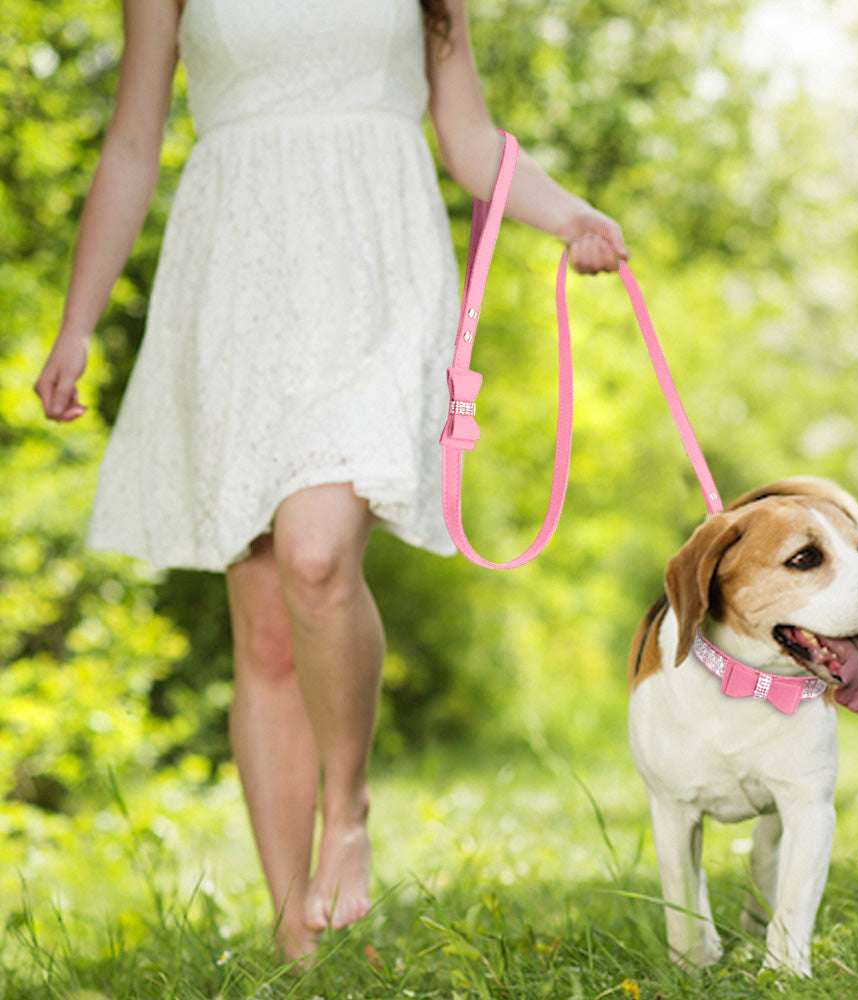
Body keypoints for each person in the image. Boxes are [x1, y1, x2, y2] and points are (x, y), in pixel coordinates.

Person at [34, 0, 628, 961]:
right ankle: (293, 944)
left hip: (376, 273)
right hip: (235, 279)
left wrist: (570, 218)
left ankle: (345, 809)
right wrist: (77, 324)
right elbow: (132, 145)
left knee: (316, 558)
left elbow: (467, 136)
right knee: (267, 630)